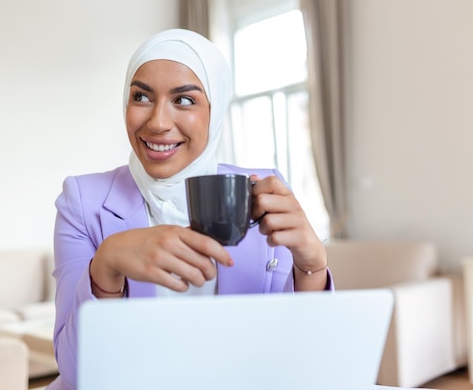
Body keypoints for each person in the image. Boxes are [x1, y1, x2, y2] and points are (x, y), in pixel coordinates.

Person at [47, 28, 332, 390]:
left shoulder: (261, 193)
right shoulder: (83, 200)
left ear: (215, 109)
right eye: (141, 97)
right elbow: (77, 373)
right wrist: (106, 265)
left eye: (183, 100)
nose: (158, 122)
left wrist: (312, 266)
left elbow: (304, 357)